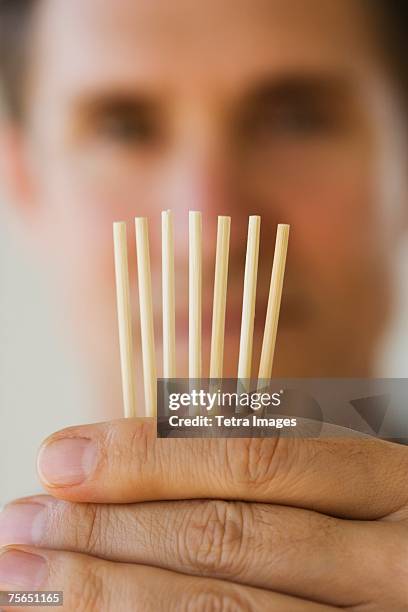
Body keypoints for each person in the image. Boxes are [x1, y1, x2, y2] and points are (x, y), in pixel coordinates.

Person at [0, 0, 408, 608]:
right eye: (123, 128)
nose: (210, 234)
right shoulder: (26, 582)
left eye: (296, 119)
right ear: (23, 180)